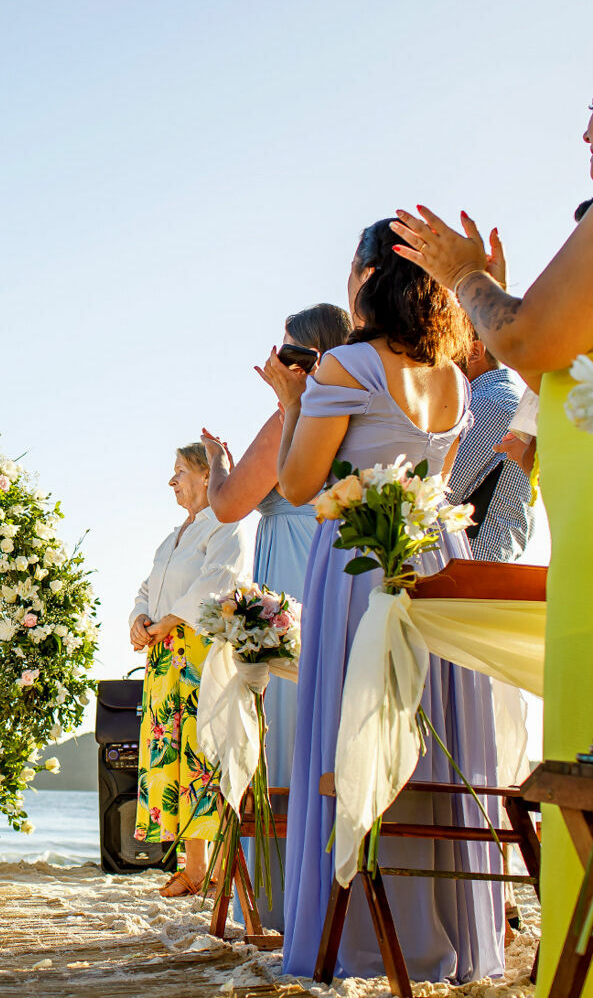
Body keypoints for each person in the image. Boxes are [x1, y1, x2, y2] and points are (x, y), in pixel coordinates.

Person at [274, 218, 502, 984]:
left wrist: (290, 401)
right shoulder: (451, 377)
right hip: (437, 566)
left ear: (368, 275)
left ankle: (353, 942)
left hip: (362, 566)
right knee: (431, 734)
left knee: (355, 729)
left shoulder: (343, 365)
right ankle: (438, 937)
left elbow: (301, 486)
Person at [390, 158, 593, 994]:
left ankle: (509, 923)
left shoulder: (500, 386)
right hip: (566, 555)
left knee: (517, 751)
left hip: (513, 572)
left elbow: (520, 346)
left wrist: (466, 277)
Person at [199, 301, 350, 931]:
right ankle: (337, 883)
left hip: (292, 563)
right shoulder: (360, 402)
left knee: (285, 715)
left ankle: (288, 897)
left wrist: (217, 465)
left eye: (284, 349)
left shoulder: (297, 411)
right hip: (341, 560)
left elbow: (232, 505)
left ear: (304, 358)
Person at [129, 443, 252, 898]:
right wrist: (139, 621)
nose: (172, 481)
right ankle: (193, 866)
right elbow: (148, 585)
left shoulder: (225, 524)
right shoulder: (173, 536)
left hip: (200, 652)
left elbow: (216, 580)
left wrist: (168, 621)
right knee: (172, 753)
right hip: (163, 655)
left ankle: (218, 864)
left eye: (179, 471)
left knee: (203, 753)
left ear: (206, 476)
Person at [447, 274, 535, 564]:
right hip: (480, 566)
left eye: (447, 349)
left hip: (470, 569)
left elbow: (442, 490)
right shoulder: (499, 398)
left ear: (474, 351)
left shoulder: (490, 404)